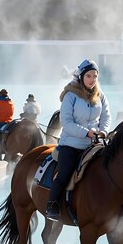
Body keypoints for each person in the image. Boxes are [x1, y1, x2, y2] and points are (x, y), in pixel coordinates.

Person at [46, 59, 111, 221]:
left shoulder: (100, 95)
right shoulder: (70, 95)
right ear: (81, 76)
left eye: (95, 76)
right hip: (72, 144)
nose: (92, 79)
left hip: (96, 144)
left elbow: (106, 116)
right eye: (89, 76)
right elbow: (66, 122)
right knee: (64, 173)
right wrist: (86, 133)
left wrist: (103, 131)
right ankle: (52, 205)